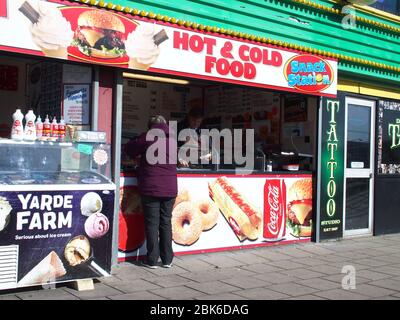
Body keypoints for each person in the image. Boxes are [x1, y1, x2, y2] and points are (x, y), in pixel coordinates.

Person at [124, 115, 178, 269]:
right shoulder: (173, 139)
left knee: (152, 223)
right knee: (166, 222)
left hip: (151, 188)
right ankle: (167, 260)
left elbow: (129, 149)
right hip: (170, 188)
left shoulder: (148, 136)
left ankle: (152, 260)